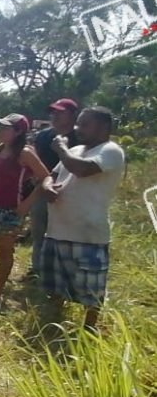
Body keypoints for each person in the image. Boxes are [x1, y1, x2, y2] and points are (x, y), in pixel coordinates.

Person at [39, 107, 124, 333]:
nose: (78, 128)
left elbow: (82, 170)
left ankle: (89, 330)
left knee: (91, 291)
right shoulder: (76, 150)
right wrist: (47, 186)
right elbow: (52, 175)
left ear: (103, 127)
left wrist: (61, 149)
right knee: (56, 284)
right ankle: (53, 324)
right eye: (78, 123)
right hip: (57, 230)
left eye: (85, 124)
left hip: (87, 234)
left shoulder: (110, 151)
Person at [0, 114, 49, 302]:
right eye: (1, 127)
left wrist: (26, 205)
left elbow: (45, 178)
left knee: (4, 250)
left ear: (18, 131)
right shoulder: (0, 150)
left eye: (6, 128)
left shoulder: (25, 153)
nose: (0, 131)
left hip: (12, 210)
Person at [24, 98, 80, 281]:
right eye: (53, 112)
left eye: (60, 112)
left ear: (72, 115)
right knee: (39, 231)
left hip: (71, 193)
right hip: (42, 190)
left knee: (66, 234)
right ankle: (37, 268)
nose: (54, 116)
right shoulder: (43, 136)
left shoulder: (81, 138)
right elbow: (34, 159)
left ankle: (62, 272)